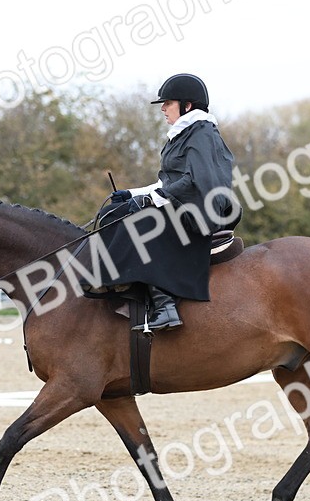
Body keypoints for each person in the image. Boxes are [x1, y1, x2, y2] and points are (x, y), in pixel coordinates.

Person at [95, 73, 241, 331]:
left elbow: (196, 179)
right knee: (117, 211)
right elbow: (167, 182)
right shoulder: (184, 135)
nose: (163, 108)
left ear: (187, 105)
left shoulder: (201, 133)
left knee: (140, 227)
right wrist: (133, 194)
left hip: (199, 211)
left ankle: (165, 306)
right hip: (183, 204)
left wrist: (153, 199)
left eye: (168, 103)